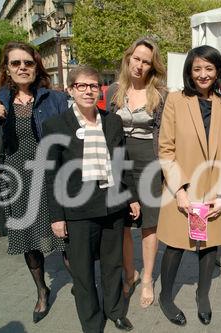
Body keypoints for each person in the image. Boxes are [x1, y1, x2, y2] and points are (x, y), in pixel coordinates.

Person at [0, 41, 70, 323]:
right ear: (7, 67)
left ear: (36, 65)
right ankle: (42, 291)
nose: (22, 68)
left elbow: (70, 133)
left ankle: (80, 280)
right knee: (28, 239)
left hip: (51, 175)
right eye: (16, 63)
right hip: (16, 178)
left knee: (65, 235)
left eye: (28, 63)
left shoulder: (52, 97)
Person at [43, 66, 140, 333]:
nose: (88, 91)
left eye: (93, 86)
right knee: (83, 273)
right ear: (71, 89)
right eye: (82, 86)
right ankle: (92, 322)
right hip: (78, 210)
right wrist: (57, 216)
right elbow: (51, 175)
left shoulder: (112, 121)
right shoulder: (55, 125)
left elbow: (122, 163)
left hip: (112, 205)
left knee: (113, 264)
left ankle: (116, 311)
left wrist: (131, 197)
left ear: (100, 89)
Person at [157, 45, 221, 326]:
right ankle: (165, 297)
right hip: (181, 189)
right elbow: (166, 150)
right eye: (197, 69)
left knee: (208, 246)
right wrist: (178, 191)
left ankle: (202, 296)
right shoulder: (176, 101)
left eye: (209, 68)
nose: (203, 74)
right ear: (189, 72)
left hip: (214, 192)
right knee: (175, 247)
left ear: (218, 72)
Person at [106, 37, 167, 308]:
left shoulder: (161, 94)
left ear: (152, 66)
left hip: (149, 161)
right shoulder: (114, 91)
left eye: (146, 61)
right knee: (123, 225)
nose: (140, 65)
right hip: (120, 161)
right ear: (128, 57)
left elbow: (166, 135)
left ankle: (148, 278)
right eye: (137, 58)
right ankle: (129, 273)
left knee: (148, 225)